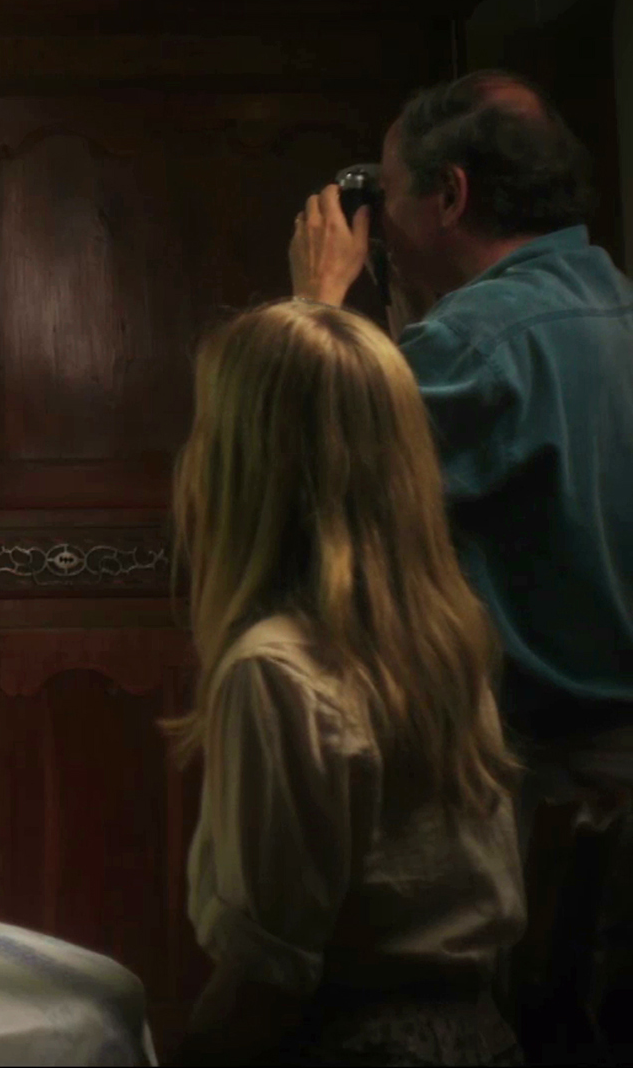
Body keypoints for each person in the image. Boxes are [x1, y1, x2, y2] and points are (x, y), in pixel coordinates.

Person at [289, 70, 633, 1057]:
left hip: (547, 794)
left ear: (451, 195)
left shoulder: (473, 345)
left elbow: (306, 491)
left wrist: (317, 305)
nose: (379, 223)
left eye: (389, 191)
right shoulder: (612, 306)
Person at [167, 299, 524, 1066]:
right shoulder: (444, 640)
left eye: (206, 431)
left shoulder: (273, 673)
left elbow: (266, 983)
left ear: (243, 468)